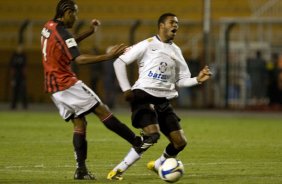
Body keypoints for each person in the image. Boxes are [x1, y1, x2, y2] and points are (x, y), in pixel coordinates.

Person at [40, 0, 142, 180]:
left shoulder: (48, 26)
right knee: (102, 110)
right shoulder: (62, 33)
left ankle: (81, 170)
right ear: (67, 12)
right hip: (67, 83)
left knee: (80, 123)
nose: (76, 17)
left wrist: (89, 32)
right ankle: (137, 141)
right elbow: (78, 59)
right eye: (75, 13)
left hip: (54, 88)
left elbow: (66, 44)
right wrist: (108, 56)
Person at [107, 13, 212, 180]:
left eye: (177, 23)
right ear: (161, 25)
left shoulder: (176, 51)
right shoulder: (147, 44)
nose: (176, 25)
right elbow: (119, 62)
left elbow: (181, 80)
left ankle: (158, 164)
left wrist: (197, 80)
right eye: (172, 22)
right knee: (152, 135)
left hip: (163, 100)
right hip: (143, 95)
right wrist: (126, 89)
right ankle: (119, 170)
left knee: (180, 142)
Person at [9, 44, 28, 110]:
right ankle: (13, 106)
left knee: (23, 91)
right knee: (15, 91)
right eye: (19, 48)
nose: (20, 49)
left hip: (22, 77)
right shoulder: (14, 56)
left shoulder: (23, 56)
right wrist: (12, 78)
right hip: (15, 77)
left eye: (21, 48)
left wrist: (24, 78)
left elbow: (25, 68)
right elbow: (12, 68)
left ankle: (24, 106)